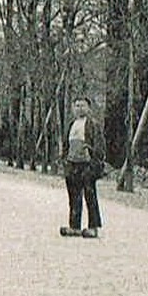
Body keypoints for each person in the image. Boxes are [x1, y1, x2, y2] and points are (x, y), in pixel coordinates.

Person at [60, 96, 103, 238]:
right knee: (74, 196)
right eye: (77, 105)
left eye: (83, 106)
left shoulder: (93, 124)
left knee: (90, 195)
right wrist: (64, 161)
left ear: (89, 108)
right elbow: (66, 145)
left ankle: (93, 226)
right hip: (72, 164)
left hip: (87, 164)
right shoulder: (71, 124)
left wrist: (95, 162)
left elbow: (99, 146)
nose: (79, 108)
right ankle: (74, 226)